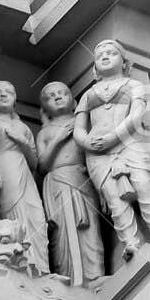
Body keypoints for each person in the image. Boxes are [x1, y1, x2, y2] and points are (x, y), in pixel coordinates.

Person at [75, 38, 150, 262]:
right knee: (114, 198)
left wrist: (113, 137)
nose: (105, 56)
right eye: (100, 55)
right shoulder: (87, 95)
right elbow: (78, 129)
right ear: (95, 67)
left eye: (111, 53)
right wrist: (88, 143)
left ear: (124, 62)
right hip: (97, 152)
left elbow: (136, 116)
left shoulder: (133, 85)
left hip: (126, 143)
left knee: (143, 184)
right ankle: (131, 243)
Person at [37, 80, 105, 284]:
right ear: (44, 108)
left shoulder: (84, 123)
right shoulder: (45, 133)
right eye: (50, 96)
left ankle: (94, 276)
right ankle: (70, 277)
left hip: (83, 179)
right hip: (58, 181)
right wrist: (58, 139)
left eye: (62, 93)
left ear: (74, 101)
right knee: (64, 231)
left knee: (90, 227)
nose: (57, 97)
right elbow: (42, 165)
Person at [0, 80, 49, 273]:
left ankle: (41, 265)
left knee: (36, 216)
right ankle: (21, 260)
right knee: (12, 210)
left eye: (9, 92)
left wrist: (22, 141)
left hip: (24, 171)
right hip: (3, 168)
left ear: (15, 100)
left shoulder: (22, 126)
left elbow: (35, 162)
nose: (3, 95)